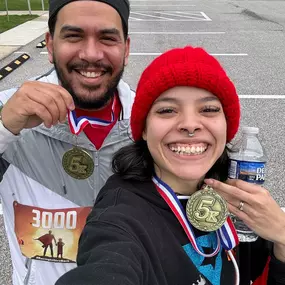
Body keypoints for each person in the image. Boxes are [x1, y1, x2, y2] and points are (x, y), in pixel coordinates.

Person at [56, 46, 285, 285]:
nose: (189, 124)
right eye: (167, 110)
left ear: (226, 126)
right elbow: (107, 265)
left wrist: (282, 238)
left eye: (208, 109)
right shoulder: (121, 216)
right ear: (143, 129)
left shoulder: (237, 201)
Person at [0, 0, 134, 284]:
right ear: (49, 44)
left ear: (126, 48)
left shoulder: (152, 124)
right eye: (74, 36)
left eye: (108, 38)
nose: (91, 54)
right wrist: (4, 127)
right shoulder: (8, 111)